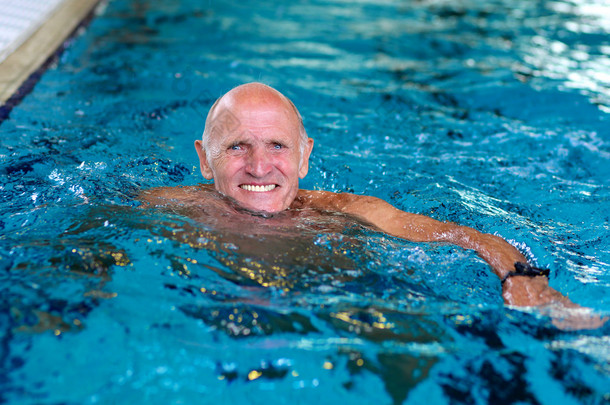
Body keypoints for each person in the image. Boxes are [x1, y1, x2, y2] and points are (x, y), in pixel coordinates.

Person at [141, 82, 606, 329]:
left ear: (305, 156)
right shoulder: (164, 209)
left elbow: (469, 237)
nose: (260, 167)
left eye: (278, 147)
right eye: (238, 147)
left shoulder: (348, 211)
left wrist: (528, 284)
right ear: (204, 159)